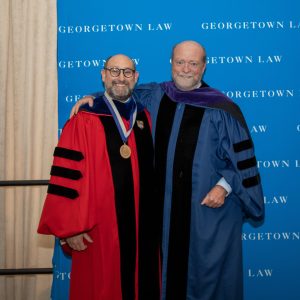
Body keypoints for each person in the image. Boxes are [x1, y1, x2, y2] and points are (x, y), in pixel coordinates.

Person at [71, 41, 265, 300]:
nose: (186, 69)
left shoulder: (222, 110)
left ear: (204, 67)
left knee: (205, 282)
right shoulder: (155, 95)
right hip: (159, 215)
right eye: (180, 62)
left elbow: (242, 164)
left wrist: (225, 185)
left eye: (193, 63)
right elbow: (120, 92)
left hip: (203, 216)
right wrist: (94, 97)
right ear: (171, 64)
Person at [38, 54, 161, 300]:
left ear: (136, 78)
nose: (120, 77)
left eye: (127, 72)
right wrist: (70, 229)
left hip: (144, 230)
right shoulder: (83, 119)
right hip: (100, 231)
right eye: (114, 71)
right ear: (103, 75)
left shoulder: (144, 118)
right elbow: (67, 179)